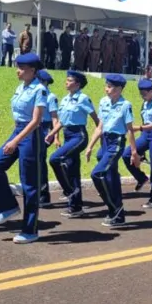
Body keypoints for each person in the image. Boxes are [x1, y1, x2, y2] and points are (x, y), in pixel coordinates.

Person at [0, 53, 48, 243]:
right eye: (17, 67)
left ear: (32, 70)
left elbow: (36, 121)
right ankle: (8, 206)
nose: (17, 71)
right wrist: (13, 137)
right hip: (19, 131)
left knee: (29, 184)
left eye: (21, 68)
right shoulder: (21, 87)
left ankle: (31, 230)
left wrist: (15, 140)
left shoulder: (39, 90)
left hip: (32, 136)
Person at [84, 74, 140, 227]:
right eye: (106, 86)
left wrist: (134, 152)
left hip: (116, 142)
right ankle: (118, 214)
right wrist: (90, 146)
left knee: (97, 174)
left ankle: (114, 208)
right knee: (111, 177)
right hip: (105, 142)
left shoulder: (125, 105)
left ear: (119, 89)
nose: (106, 89)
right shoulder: (103, 102)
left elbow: (129, 130)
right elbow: (100, 127)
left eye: (110, 87)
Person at [46, 70, 99, 219]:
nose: (66, 82)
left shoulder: (83, 99)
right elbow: (61, 121)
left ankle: (69, 190)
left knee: (55, 159)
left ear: (78, 84)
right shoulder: (64, 99)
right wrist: (52, 134)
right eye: (67, 80)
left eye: (70, 80)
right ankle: (76, 207)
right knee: (72, 170)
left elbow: (96, 119)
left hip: (79, 136)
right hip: (67, 135)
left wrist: (100, 136)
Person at [122, 78, 152, 202]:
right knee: (127, 154)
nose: (143, 97)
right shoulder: (146, 103)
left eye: (145, 94)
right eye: (141, 94)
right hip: (146, 134)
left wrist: (138, 128)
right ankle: (141, 178)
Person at [36, 69, 60, 208]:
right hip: (35, 128)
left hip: (46, 130)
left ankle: (44, 195)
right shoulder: (36, 94)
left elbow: (54, 117)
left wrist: (55, 136)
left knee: (40, 162)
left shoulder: (50, 97)